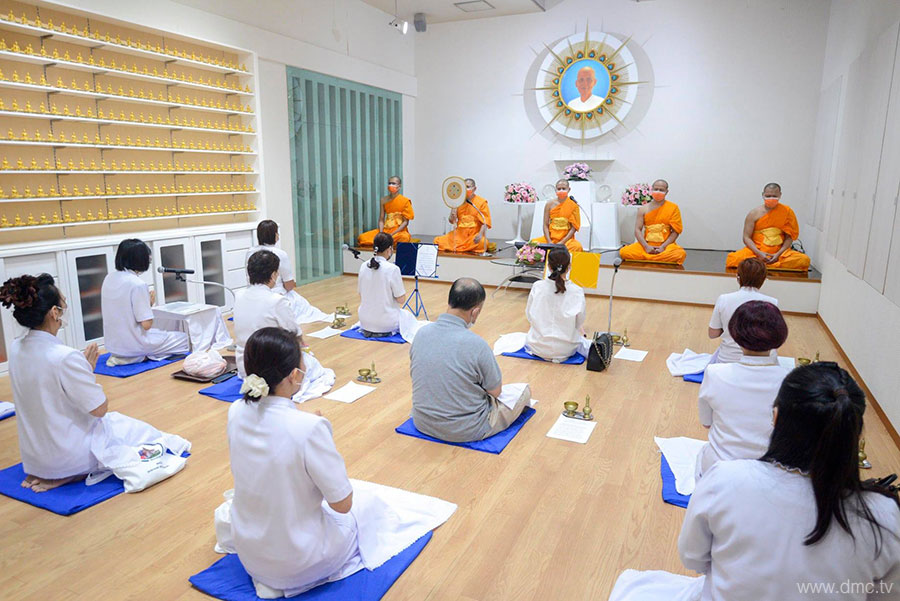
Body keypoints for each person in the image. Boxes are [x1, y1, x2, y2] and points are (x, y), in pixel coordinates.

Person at [610, 363, 900, 601]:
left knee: (636, 586)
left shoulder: (726, 479)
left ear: (775, 417)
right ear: (855, 434)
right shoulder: (885, 517)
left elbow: (693, 558)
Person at [0, 274, 189, 492]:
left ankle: (54, 469)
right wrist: (87, 374)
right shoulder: (64, 357)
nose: (63, 312)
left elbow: (47, 392)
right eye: (62, 307)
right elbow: (99, 409)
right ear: (54, 313)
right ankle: (70, 473)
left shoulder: (16, 348)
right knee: (144, 433)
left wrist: (83, 371)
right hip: (69, 458)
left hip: (34, 459)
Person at [227, 327, 358, 598]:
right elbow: (342, 505)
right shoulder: (309, 428)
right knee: (364, 515)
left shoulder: (236, 410)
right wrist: (316, 430)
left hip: (250, 555)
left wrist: (308, 422)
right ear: (295, 376)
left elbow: (274, 426)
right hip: (299, 561)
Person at [410, 278, 531, 442]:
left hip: (422, 422)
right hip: (466, 429)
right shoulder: (477, 344)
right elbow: (495, 392)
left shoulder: (420, 333)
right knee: (523, 391)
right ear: (475, 312)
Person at [696, 300, 790, 478]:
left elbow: (706, 422)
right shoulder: (789, 380)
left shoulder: (715, 373)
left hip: (719, 468)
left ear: (735, 333)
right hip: (769, 472)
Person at [100, 238, 190, 365]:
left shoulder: (109, 278)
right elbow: (146, 325)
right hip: (134, 345)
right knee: (184, 339)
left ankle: (132, 355)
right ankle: (141, 357)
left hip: (113, 346)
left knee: (160, 334)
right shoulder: (137, 284)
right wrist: (149, 303)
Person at [234, 250, 303, 379]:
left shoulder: (239, 295)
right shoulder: (277, 300)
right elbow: (294, 333)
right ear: (273, 275)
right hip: (271, 367)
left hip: (244, 365)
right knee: (312, 364)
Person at [246, 220, 328, 323]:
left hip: (253, 294)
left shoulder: (250, 252)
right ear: (275, 235)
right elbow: (289, 285)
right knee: (304, 307)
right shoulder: (280, 254)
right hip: (276, 295)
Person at [726, 182, 811, 271]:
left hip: (779, 252)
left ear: (780, 195)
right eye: (768, 195)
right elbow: (746, 237)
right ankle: (764, 263)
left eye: (774, 196)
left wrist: (778, 254)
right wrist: (759, 253)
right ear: (763, 195)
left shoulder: (787, 212)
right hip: (757, 251)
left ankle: (759, 265)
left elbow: (789, 237)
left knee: (804, 260)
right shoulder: (754, 213)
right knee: (733, 259)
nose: (771, 198)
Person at [708, 257, 778, 363]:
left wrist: (726, 328)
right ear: (763, 279)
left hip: (728, 360)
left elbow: (712, 334)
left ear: (738, 277)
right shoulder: (772, 302)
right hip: (764, 363)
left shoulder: (724, 299)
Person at [524, 248, 589, 362]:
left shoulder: (537, 286)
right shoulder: (577, 290)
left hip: (538, 346)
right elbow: (579, 322)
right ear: (569, 266)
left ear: (548, 266)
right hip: (567, 349)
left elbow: (529, 316)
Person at [619, 179, 687, 264]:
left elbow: (676, 231)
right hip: (647, 245)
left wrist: (663, 247)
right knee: (624, 252)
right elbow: (637, 230)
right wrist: (646, 246)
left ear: (667, 192)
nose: (658, 192)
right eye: (656, 189)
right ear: (651, 190)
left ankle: (650, 257)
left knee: (680, 254)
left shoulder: (673, 208)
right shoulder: (643, 209)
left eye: (661, 190)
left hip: (666, 245)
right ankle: (655, 257)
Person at [357, 232, 406, 337]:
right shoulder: (393, 269)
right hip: (387, 324)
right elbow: (401, 300)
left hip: (365, 321)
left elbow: (360, 294)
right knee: (408, 318)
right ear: (389, 249)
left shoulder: (363, 266)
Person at [434, 178, 492, 254]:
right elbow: (451, 221)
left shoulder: (481, 202)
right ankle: (464, 248)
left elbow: (485, 221)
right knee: (437, 241)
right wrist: (453, 210)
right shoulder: (458, 201)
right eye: (464, 187)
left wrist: (480, 234)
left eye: (468, 187)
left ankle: (461, 248)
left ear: (474, 189)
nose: (466, 189)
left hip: (473, 236)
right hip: (459, 235)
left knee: (483, 243)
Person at [357, 175, 414, 247]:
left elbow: (405, 222)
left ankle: (387, 242)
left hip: (399, 231)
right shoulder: (383, 200)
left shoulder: (405, 201)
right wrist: (381, 234)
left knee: (404, 238)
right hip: (385, 230)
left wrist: (392, 234)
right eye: (389, 183)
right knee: (363, 237)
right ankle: (385, 241)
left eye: (393, 183)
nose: (391, 185)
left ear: (399, 186)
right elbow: (381, 219)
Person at [531, 179, 583, 253]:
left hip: (566, 240)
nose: (561, 190)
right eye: (559, 189)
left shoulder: (573, 205)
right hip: (550, 238)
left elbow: (574, 228)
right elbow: (545, 224)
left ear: (569, 189)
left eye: (564, 188)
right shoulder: (549, 204)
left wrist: (562, 242)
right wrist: (549, 241)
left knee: (577, 247)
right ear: (555, 190)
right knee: (533, 243)